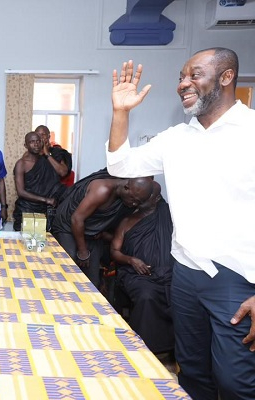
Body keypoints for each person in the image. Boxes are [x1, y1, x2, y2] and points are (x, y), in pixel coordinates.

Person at [106, 48, 255, 400]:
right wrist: (120, 112)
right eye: (181, 77)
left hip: (237, 279)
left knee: (235, 381)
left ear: (226, 77)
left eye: (194, 75)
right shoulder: (176, 138)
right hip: (185, 274)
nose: (183, 84)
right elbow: (120, 166)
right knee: (191, 371)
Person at [50, 169, 152, 286]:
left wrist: (100, 231)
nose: (134, 205)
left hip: (90, 231)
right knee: (69, 267)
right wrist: (82, 251)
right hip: (67, 225)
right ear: (126, 188)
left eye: (138, 203)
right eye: (134, 200)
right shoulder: (102, 189)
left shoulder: (127, 198)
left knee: (93, 281)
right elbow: (76, 219)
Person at [110, 181, 174, 354]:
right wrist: (131, 260)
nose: (136, 202)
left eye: (142, 199)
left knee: (182, 295)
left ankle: (174, 350)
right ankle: (143, 348)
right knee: (147, 295)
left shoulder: (170, 216)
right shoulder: (127, 221)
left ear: (155, 198)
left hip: (169, 273)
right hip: (136, 274)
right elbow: (114, 251)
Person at [12, 131, 69, 231]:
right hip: (26, 209)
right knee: (25, 242)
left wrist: (47, 154)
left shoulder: (46, 160)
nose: (36, 144)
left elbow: (62, 174)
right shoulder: (21, 164)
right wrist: (46, 200)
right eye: (32, 141)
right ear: (25, 145)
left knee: (42, 242)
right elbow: (21, 192)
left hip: (44, 210)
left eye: (38, 141)